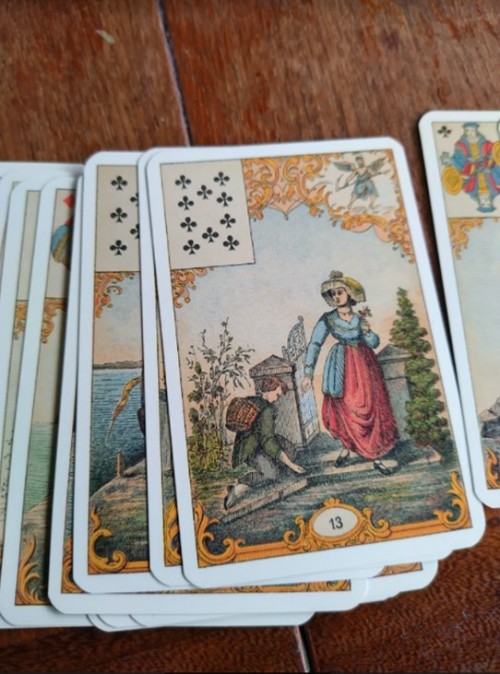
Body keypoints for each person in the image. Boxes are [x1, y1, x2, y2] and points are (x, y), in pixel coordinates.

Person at [301, 271, 398, 476]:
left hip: (364, 365)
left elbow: (374, 343)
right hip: (341, 367)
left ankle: (376, 456)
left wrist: (367, 331)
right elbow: (315, 344)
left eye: (340, 292)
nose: (336, 296)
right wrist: (308, 373)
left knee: (369, 408)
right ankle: (347, 447)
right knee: (345, 408)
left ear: (349, 293)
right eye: (333, 293)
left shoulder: (359, 318)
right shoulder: (328, 319)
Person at [224, 376, 306, 510]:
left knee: (289, 449)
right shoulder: (266, 410)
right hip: (251, 451)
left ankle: (275, 466)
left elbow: (265, 436)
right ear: (269, 389)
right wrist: (291, 464)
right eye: (277, 395)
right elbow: (268, 441)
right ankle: (238, 488)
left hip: (247, 446)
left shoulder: (254, 401)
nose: (277, 399)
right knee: (271, 474)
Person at [448, 122, 500, 212]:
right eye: (467, 131)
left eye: (483, 203)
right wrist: (467, 160)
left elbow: (494, 154)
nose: (485, 201)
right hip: (475, 167)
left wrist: (488, 160)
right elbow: (458, 158)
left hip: (478, 168)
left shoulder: (469, 190)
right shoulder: (460, 145)